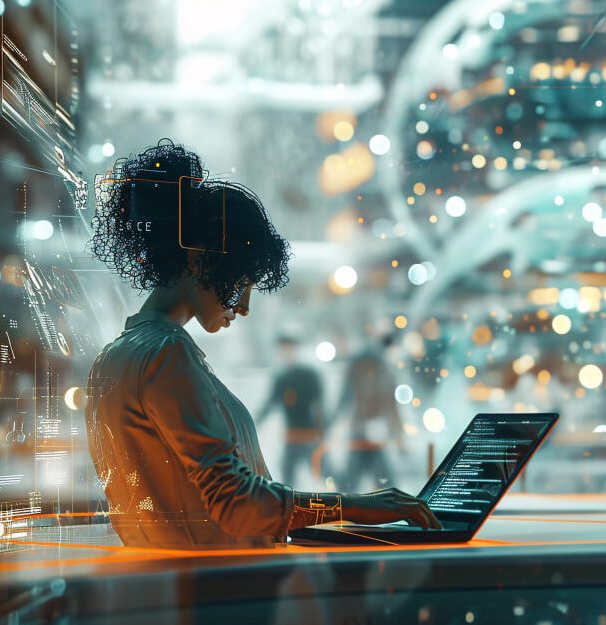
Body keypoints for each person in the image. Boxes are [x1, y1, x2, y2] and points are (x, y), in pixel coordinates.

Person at [85, 140, 439, 549]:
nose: (245, 306)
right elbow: (236, 503)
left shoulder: (114, 359)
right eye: (242, 283)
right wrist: (355, 506)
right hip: (222, 580)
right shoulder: (166, 355)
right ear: (200, 260)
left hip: (177, 574)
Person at [337, 335, 406, 491]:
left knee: (367, 479)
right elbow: (392, 409)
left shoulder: (380, 374)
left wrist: (399, 438)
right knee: (363, 480)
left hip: (371, 432)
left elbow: (391, 409)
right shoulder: (379, 373)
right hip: (365, 431)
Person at [256, 334, 325, 487]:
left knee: (325, 474)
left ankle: (338, 497)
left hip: (311, 436)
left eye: (288, 349)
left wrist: (322, 429)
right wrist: (255, 421)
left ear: (295, 350)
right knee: (288, 478)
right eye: (282, 350)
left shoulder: (309, 375)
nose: (285, 353)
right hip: (292, 436)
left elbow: (319, 404)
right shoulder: (282, 379)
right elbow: (271, 403)